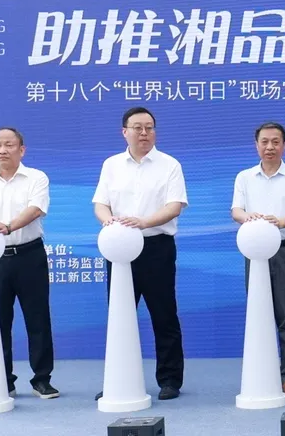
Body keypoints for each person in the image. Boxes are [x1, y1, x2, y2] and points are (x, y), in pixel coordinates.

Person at [92, 107, 188, 401]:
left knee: (164, 315)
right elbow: (100, 203)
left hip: (156, 247)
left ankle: (169, 380)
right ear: (125, 132)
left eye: (149, 127)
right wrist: (108, 221)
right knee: (120, 316)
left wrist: (144, 222)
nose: (144, 133)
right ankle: (118, 381)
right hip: (120, 250)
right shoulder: (111, 165)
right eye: (137, 127)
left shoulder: (169, 164)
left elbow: (175, 205)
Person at [0, 127, 59, 400]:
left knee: (38, 319)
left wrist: (8, 226)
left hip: (29, 255)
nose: (2, 150)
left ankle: (42, 380)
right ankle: (3, 380)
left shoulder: (36, 178)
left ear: (21, 150)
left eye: (8, 145)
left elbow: (36, 209)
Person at [231, 122, 285, 397]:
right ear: (256, 145)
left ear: (284, 146)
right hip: (256, 254)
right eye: (264, 142)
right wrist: (250, 218)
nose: (269, 147)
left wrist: (277, 223)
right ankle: (261, 374)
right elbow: (236, 211)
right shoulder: (244, 177)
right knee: (259, 313)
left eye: (275, 142)